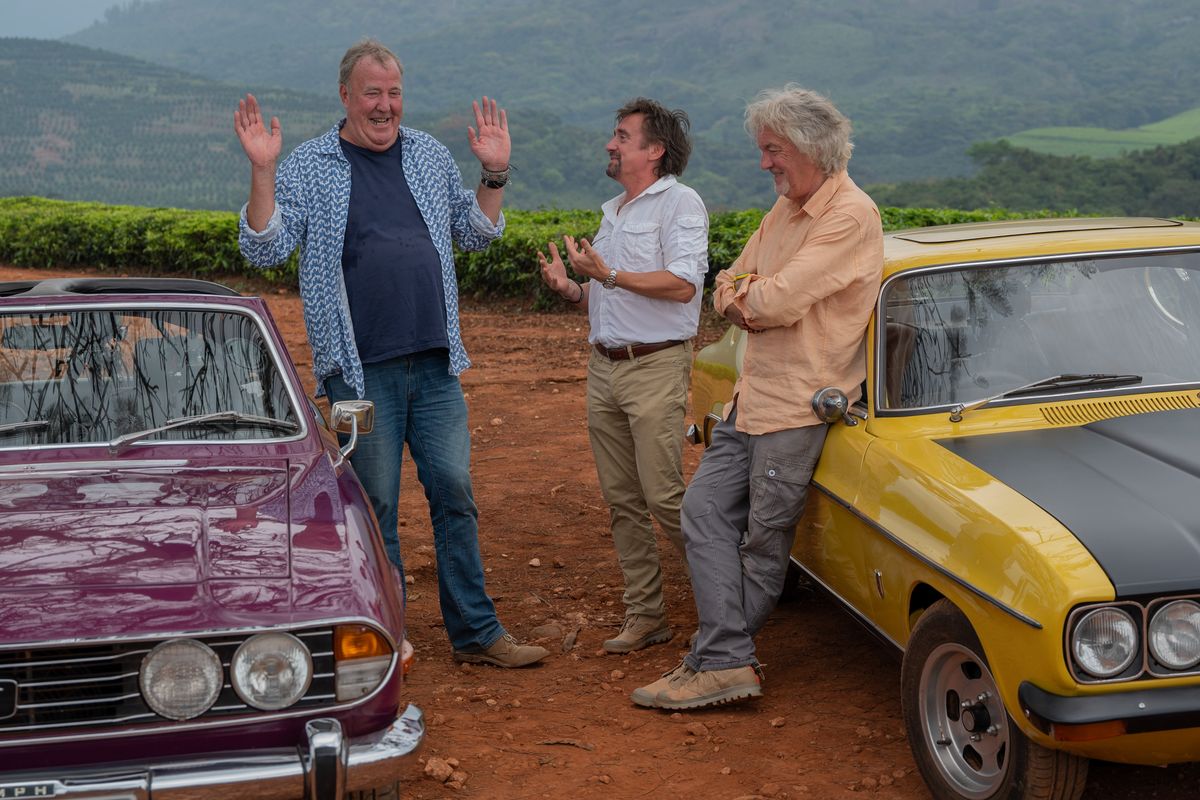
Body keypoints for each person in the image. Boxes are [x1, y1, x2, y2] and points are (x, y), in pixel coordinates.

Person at [234, 38, 547, 668]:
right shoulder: (308, 164)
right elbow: (264, 248)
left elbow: (474, 232)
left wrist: (494, 174)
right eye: (372, 93)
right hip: (356, 372)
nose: (385, 105)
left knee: (454, 491)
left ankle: (477, 634)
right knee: (374, 504)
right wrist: (262, 171)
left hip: (435, 365)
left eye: (394, 93)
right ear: (346, 96)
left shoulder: (428, 154)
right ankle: (387, 635)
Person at [632, 85, 884, 709]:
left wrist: (751, 297)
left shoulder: (849, 214)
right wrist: (750, 297)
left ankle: (719, 661)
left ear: (811, 149)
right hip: (755, 395)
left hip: (801, 402)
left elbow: (773, 299)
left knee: (765, 540)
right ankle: (724, 657)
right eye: (764, 149)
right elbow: (728, 285)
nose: (764, 162)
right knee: (703, 511)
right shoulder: (786, 210)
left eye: (773, 150)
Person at [538, 98, 708, 654]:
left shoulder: (679, 204)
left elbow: (683, 284)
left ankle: (729, 602)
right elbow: (608, 294)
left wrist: (606, 272)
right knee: (622, 499)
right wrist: (572, 289)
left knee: (662, 495)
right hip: (605, 367)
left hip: (655, 364)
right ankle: (647, 616)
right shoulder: (615, 211)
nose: (610, 144)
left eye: (621, 136)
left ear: (653, 150)